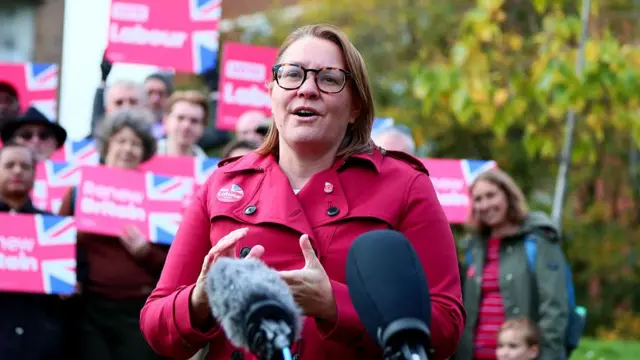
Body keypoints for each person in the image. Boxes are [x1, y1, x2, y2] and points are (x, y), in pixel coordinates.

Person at [140, 24, 464, 360]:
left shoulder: (404, 184)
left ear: (355, 106)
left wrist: (333, 304)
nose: (307, 89)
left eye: (329, 78)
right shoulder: (221, 185)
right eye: (292, 74)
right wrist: (200, 299)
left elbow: (446, 326)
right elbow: (156, 325)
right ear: (272, 93)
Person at [57, 108, 169, 360]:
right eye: (121, 141)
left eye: (135, 143)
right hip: (89, 310)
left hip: (139, 309)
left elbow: (172, 265)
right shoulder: (77, 193)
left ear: (145, 152)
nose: (127, 149)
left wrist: (145, 253)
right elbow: (58, 248)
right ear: (107, 146)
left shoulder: (158, 198)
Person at [456, 169, 568, 360]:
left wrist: (547, 356)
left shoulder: (538, 239)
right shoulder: (473, 246)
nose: (485, 205)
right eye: (478, 199)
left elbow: (554, 308)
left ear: (508, 196)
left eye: (491, 195)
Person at [0, 142, 67, 360]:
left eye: (25, 166)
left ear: (34, 174)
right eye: (9, 165)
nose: (17, 171)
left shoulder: (54, 227)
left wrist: (72, 288)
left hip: (40, 341)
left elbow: (78, 278)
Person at [0, 106, 67, 161]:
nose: (36, 140)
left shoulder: (73, 176)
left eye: (44, 135)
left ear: (55, 143)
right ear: (12, 142)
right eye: (26, 135)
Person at [156, 90, 208, 157]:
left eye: (194, 121)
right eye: (180, 118)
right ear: (165, 121)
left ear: (203, 127)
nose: (186, 126)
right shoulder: (144, 158)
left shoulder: (210, 166)